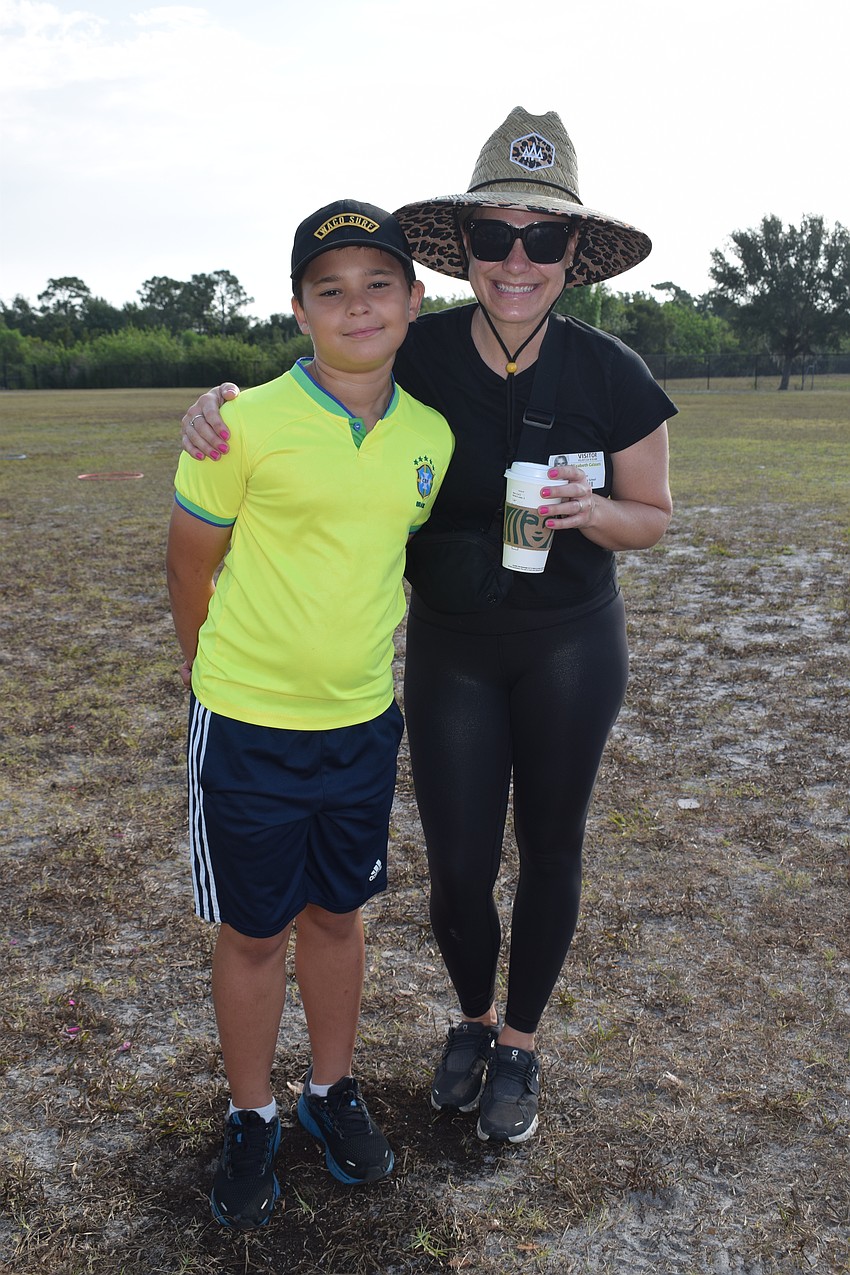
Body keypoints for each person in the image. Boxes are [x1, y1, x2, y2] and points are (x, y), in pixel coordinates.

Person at [178, 107, 676, 1147]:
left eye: (542, 238)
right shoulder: (420, 350)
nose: (516, 259)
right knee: (455, 861)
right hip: (451, 647)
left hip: (572, 643)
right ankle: (471, 1019)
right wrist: (213, 404)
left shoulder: (612, 373)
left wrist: (595, 515)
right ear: (460, 256)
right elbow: (321, 383)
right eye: (494, 236)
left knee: (549, 845)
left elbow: (655, 518)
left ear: (573, 253)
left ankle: (521, 1047)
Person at [166, 199, 453, 1230]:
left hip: (361, 725)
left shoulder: (430, 436)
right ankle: (253, 1115)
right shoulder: (240, 422)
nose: (357, 305)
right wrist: (218, 682)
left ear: (414, 301)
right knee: (252, 931)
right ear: (299, 310)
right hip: (245, 725)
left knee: (337, 914)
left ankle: (329, 1093)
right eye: (329, 290)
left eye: (379, 284)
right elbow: (189, 563)